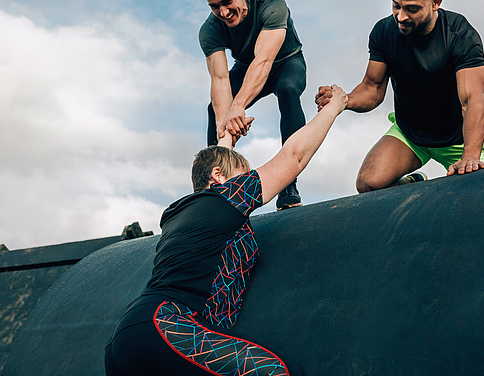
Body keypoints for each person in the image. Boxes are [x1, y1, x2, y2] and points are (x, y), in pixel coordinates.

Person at [104, 85, 347, 376]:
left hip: (130, 338)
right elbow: (293, 158)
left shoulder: (186, 216)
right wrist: (334, 109)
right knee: (274, 372)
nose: (247, 182)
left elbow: (212, 176)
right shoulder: (222, 200)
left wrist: (226, 142)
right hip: (167, 326)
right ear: (220, 178)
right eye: (242, 175)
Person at [316, 0, 484, 193]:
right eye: (395, 6)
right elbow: (372, 88)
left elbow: (473, 100)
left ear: (436, 2)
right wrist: (344, 100)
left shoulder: (460, 35)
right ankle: (413, 183)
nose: (400, 16)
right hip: (410, 135)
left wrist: (470, 155)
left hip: (458, 140)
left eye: (412, 9)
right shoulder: (384, 32)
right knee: (368, 183)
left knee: (483, 193)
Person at [199, 0, 307, 210]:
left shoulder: (271, 4)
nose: (224, 12)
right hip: (246, 67)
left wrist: (238, 106)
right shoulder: (209, 30)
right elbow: (220, 79)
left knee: (288, 91)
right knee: (213, 111)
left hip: (285, 62)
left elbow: (264, 60)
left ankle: (289, 183)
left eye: (227, 2)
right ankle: (212, 191)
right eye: (214, 6)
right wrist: (224, 122)